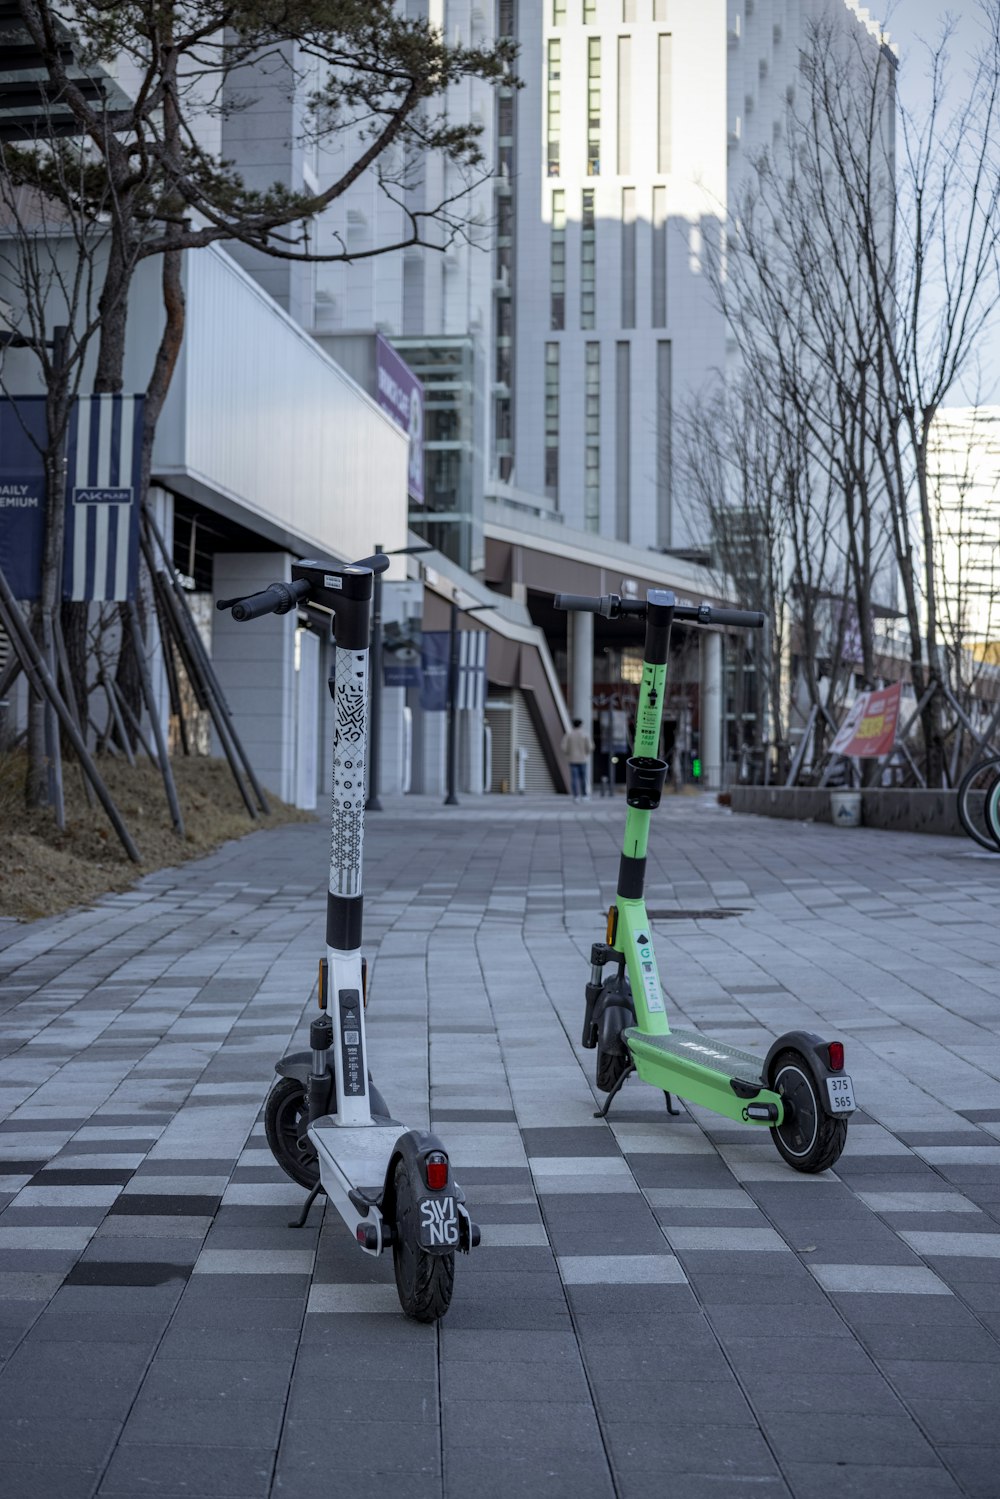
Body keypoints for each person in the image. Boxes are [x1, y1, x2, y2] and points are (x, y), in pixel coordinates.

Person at [562, 717, 594, 801]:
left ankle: (575, 796)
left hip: (572, 759)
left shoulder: (569, 734)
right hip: (582, 759)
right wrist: (585, 753)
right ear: (581, 725)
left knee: (574, 778)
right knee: (583, 778)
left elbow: (564, 747)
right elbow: (590, 747)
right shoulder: (585, 734)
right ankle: (584, 795)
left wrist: (569, 753)